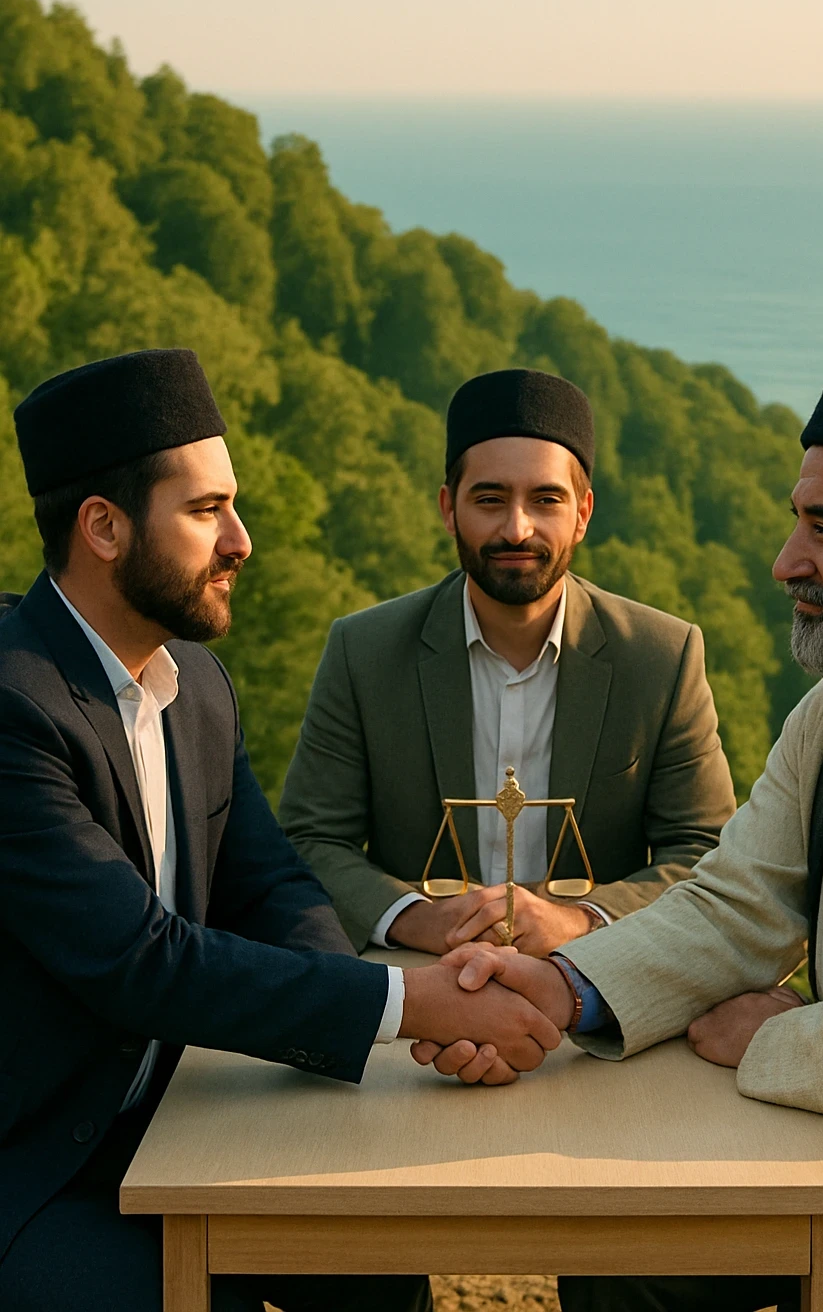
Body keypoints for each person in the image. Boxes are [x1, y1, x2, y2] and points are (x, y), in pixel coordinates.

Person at [434, 360, 823, 1312]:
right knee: (618, 1262)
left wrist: (772, 1037)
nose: (787, 560)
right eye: (798, 520)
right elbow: (732, 908)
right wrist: (560, 989)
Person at [0, 349, 559, 1312]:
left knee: (372, 1269)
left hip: (182, 1122)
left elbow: (271, 887)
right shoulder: (13, 705)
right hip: (40, 1166)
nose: (242, 541)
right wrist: (414, 1008)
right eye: (206, 509)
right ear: (102, 526)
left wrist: (357, 1016)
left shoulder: (196, 686)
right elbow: (144, 961)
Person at [279, 367, 735, 958]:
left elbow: (705, 851)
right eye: (489, 499)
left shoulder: (661, 656)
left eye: (546, 500)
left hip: (594, 969)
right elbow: (310, 839)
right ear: (449, 509)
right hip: (419, 973)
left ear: (583, 513)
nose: (516, 529)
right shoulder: (364, 651)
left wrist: (581, 920)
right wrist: (419, 920)